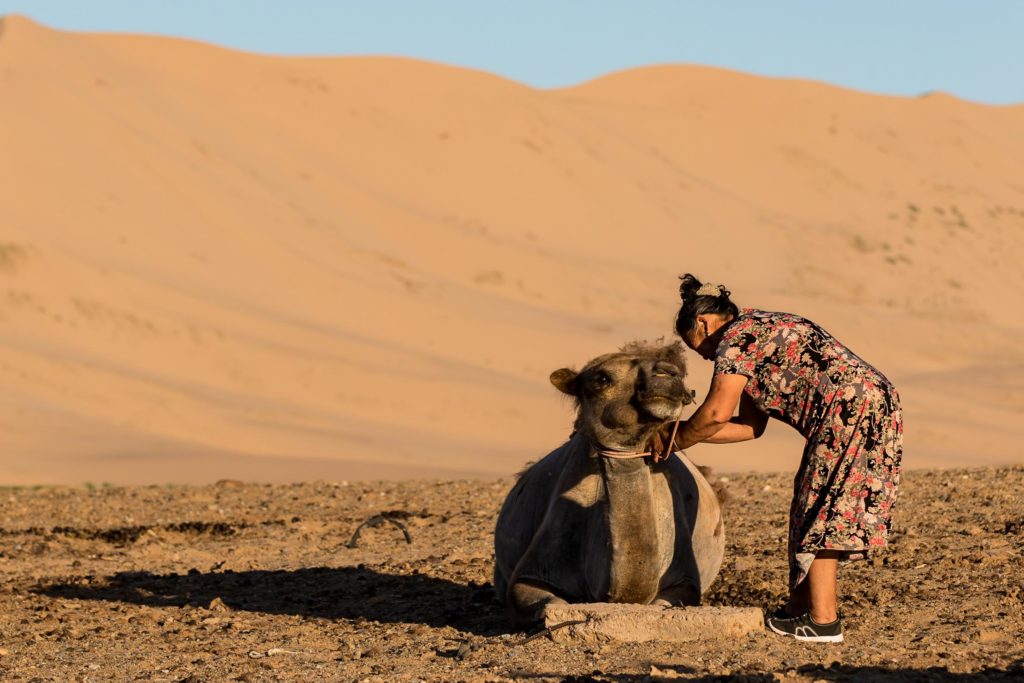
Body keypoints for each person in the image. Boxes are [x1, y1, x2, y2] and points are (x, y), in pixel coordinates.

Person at [665, 274, 902, 643]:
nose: (707, 356)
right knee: (813, 503)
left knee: (822, 509)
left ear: (703, 323)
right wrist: (677, 432)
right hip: (874, 403)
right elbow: (749, 427)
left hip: (849, 411)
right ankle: (797, 609)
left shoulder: (734, 340)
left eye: (698, 348)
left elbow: (714, 413)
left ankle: (823, 622)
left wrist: (673, 439)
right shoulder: (758, 327)